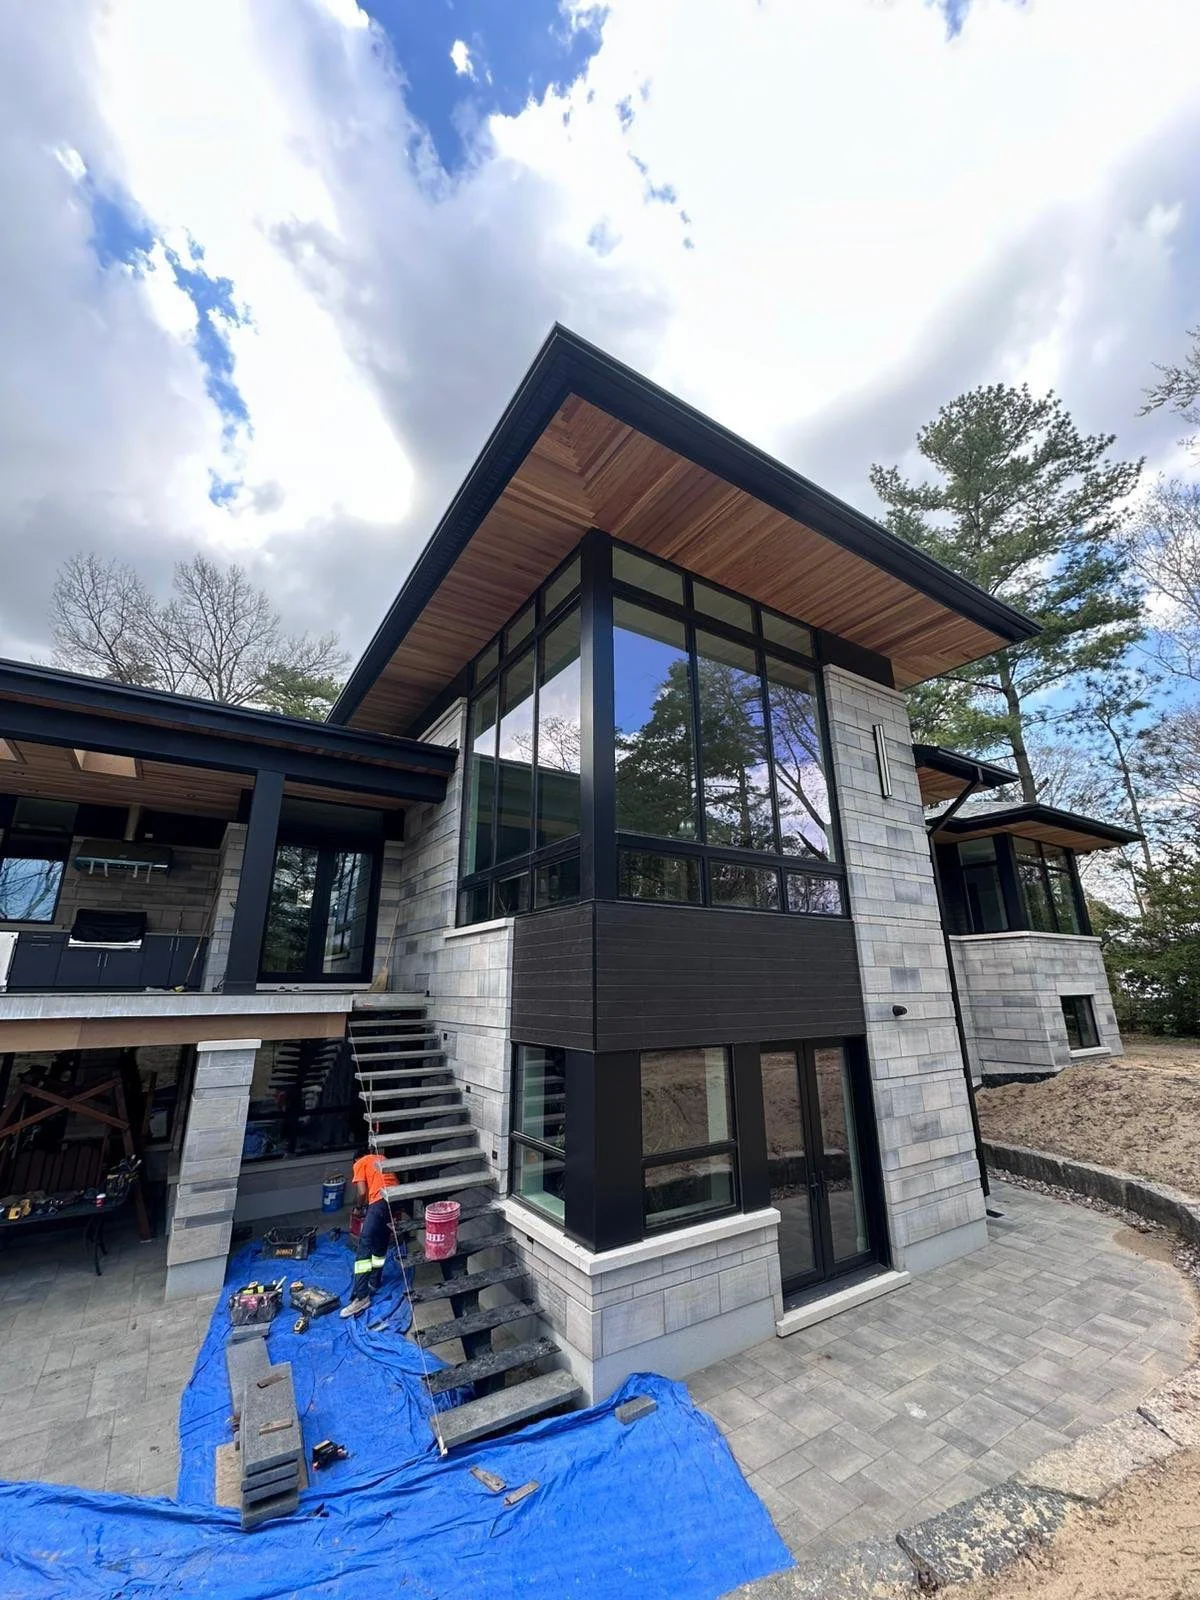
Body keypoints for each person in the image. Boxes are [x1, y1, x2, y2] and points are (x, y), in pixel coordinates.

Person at [339, 1148, 396, 1318]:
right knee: (380, 1242)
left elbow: (362, 1191)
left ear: (356, 1159)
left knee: (364, 1246)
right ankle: (375, 1281)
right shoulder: (381, 1157)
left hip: (379, 1202)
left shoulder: (360, 1163)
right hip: (394, 1200)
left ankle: (362, 1296)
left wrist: (358, 1207)